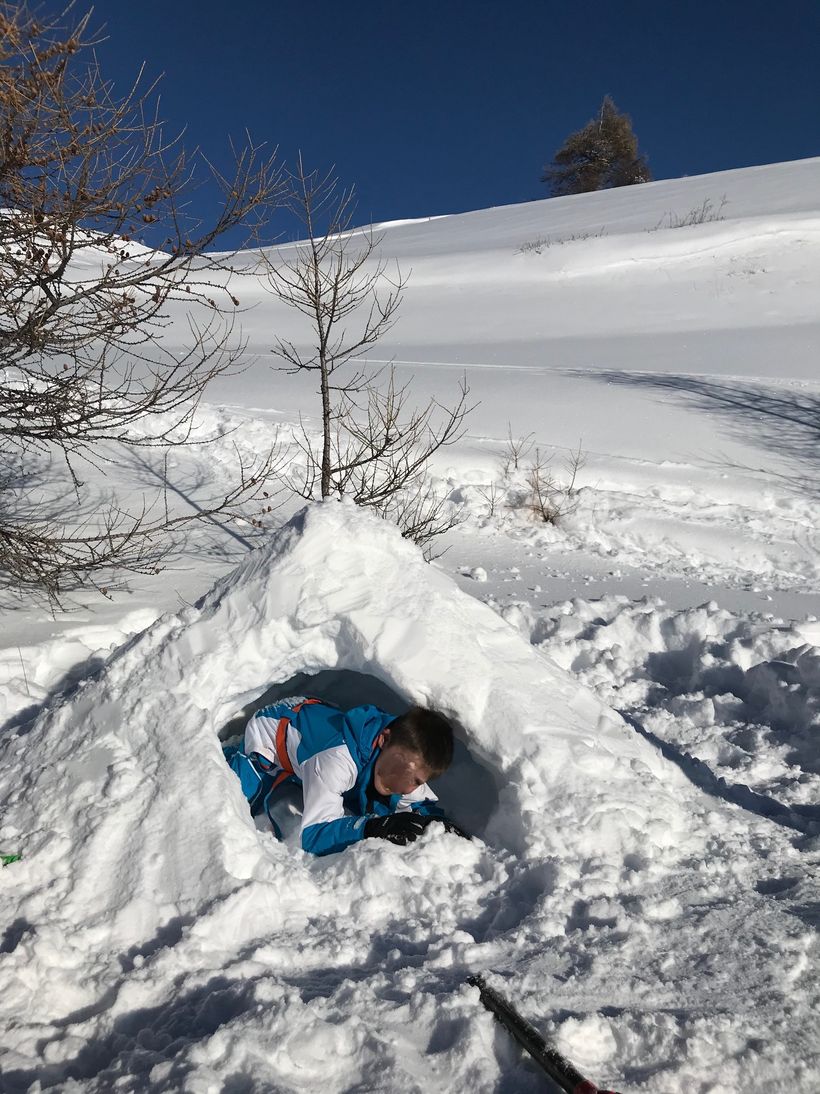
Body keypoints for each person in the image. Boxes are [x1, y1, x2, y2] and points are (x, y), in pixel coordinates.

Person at [224, 696, 463, 856]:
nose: (411, 788)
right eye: (414, 779)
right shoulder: (336, 760)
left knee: (370, 796)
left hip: (320, 720)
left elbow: (421, 805)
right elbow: (314, 835)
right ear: (383, 740)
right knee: (239, 794)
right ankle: (233, 755)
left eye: (420, 782)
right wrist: (371, 828)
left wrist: (438, 823)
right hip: (274, 729)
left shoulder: (402, 754)